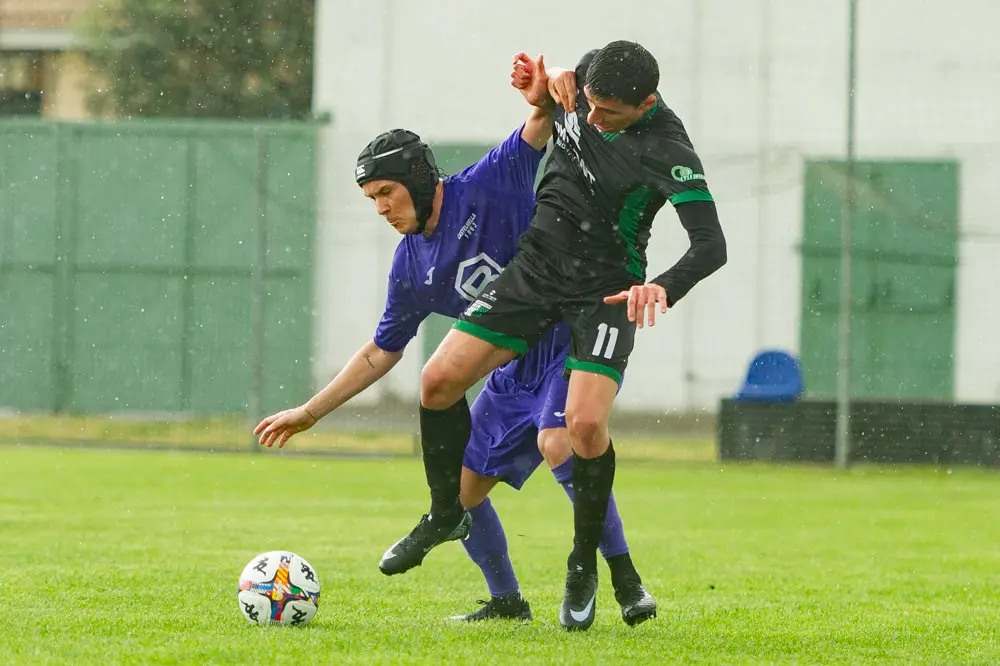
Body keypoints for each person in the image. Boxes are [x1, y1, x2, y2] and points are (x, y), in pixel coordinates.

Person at [253, 55, 656, 626]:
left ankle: (624, 579)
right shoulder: (410, 265)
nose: (382, 208)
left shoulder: (486, 183)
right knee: (460, 491)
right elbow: (380, 351)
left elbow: (540, 123)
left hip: (569, 338)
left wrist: (544, 90)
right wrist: (310, 412)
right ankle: (506, 602)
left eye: (387, 192)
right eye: (372, 199)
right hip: (510, 371)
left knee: (559, 441)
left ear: (418, 179)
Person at [384, 40, 728, 631]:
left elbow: (711, 245)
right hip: (535, 271)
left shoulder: (670, 151)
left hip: (606, 291)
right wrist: (543, 91)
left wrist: (662, 287)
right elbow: (559, 90)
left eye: (609, 113)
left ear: (645, 104)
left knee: (583, 427)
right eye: (589, 105)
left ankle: (582, 565)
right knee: (437, 380)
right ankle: (445, 513)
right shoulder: (586, 81)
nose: (593, 120)